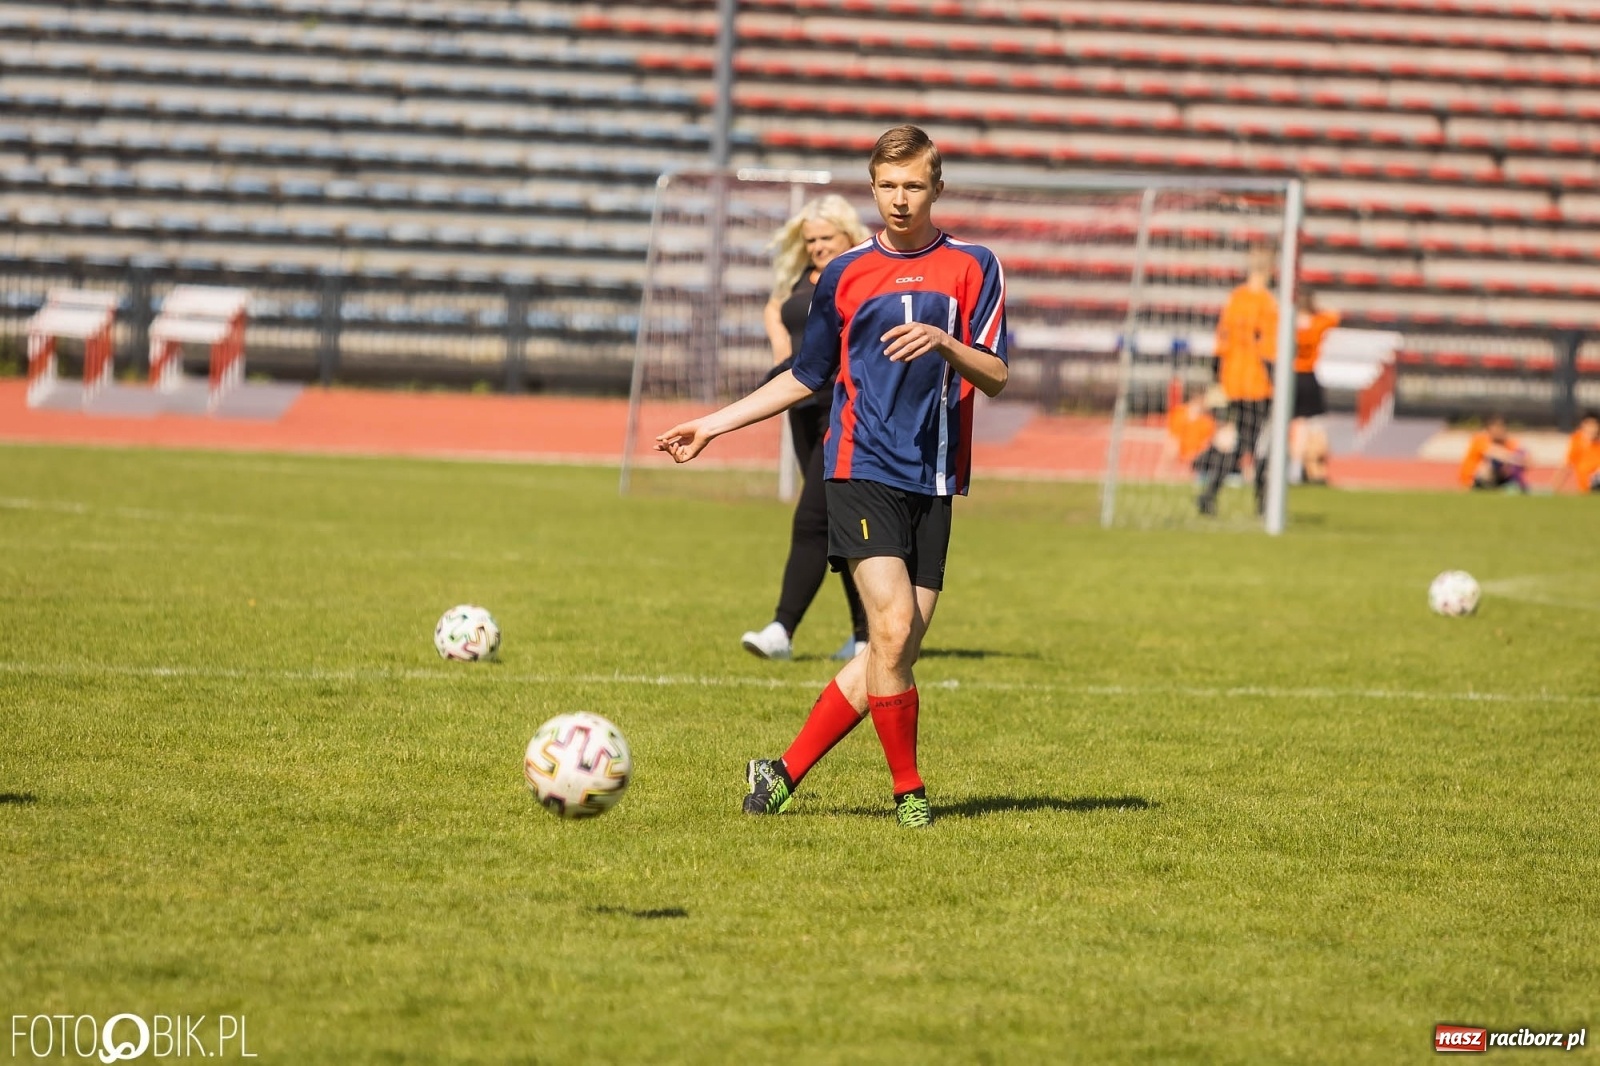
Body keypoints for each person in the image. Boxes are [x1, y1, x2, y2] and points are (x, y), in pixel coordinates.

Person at [656, 125, 1007, 829]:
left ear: (937, 188)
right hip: (859, 466)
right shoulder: (845, 274)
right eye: (887, 186)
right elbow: (806, 376)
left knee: (893, 646)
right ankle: (910, 795)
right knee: (896, 622)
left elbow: (996, 374)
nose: (900, 200)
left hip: (934, 477)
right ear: (872, 188)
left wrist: (946, 343)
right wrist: (713, 425)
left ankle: (781, 771)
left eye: (913, 185)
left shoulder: (975, 266)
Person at [740, 195, 872, 662]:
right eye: (810, 239)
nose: (817, 247)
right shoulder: (800, 280)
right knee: (839, 523)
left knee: (812, 519)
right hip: (801, 405)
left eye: (825, 238)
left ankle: (782, 629)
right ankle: (865, 638)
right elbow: (778, 311)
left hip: (843, 408)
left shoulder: (861, 272)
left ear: (847, 235)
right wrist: (780, 354)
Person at [1198, 247, 1277, 516]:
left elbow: (1221, 342)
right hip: (1257, 385)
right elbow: (1269, 350)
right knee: (1259, 444)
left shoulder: (1234, 300)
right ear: (1269, 271)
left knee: (1242, 441)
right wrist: (1277, 384)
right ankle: (1263, 504)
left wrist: (1218, 379)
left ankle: (1212, 494)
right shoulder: (1267, 304)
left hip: (1233, 381)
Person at [1290, 287, 1338, 485]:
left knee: (1298, 426)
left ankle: (1295, 468)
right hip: (1309, 376)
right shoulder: (1317, 323)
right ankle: (1315, 470)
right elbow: (1334, 316)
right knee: (1316, 426)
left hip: (1291, 376)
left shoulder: (1289, 324)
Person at [1458, 414, 1529, 492]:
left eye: (1501, 427)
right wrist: (1518, 460)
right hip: (1472, 480)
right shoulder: (1480, 440)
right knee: (1491, 463)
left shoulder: (1506, 442)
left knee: (1512, 463)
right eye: (1496, 427)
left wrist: (1521, 459)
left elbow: (1526, 459)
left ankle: (1515, 485)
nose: (1499, 430)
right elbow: (1497, 453)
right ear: (1489, 429)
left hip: (1496, 477)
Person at [1553, 410, 1600, 494]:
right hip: (1587, 488)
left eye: (1594, 425)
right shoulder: (1577, 441)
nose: (1592, 429)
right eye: (1589, 425)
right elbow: (1567, 466)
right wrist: (1555, 489)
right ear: (1583, 425)